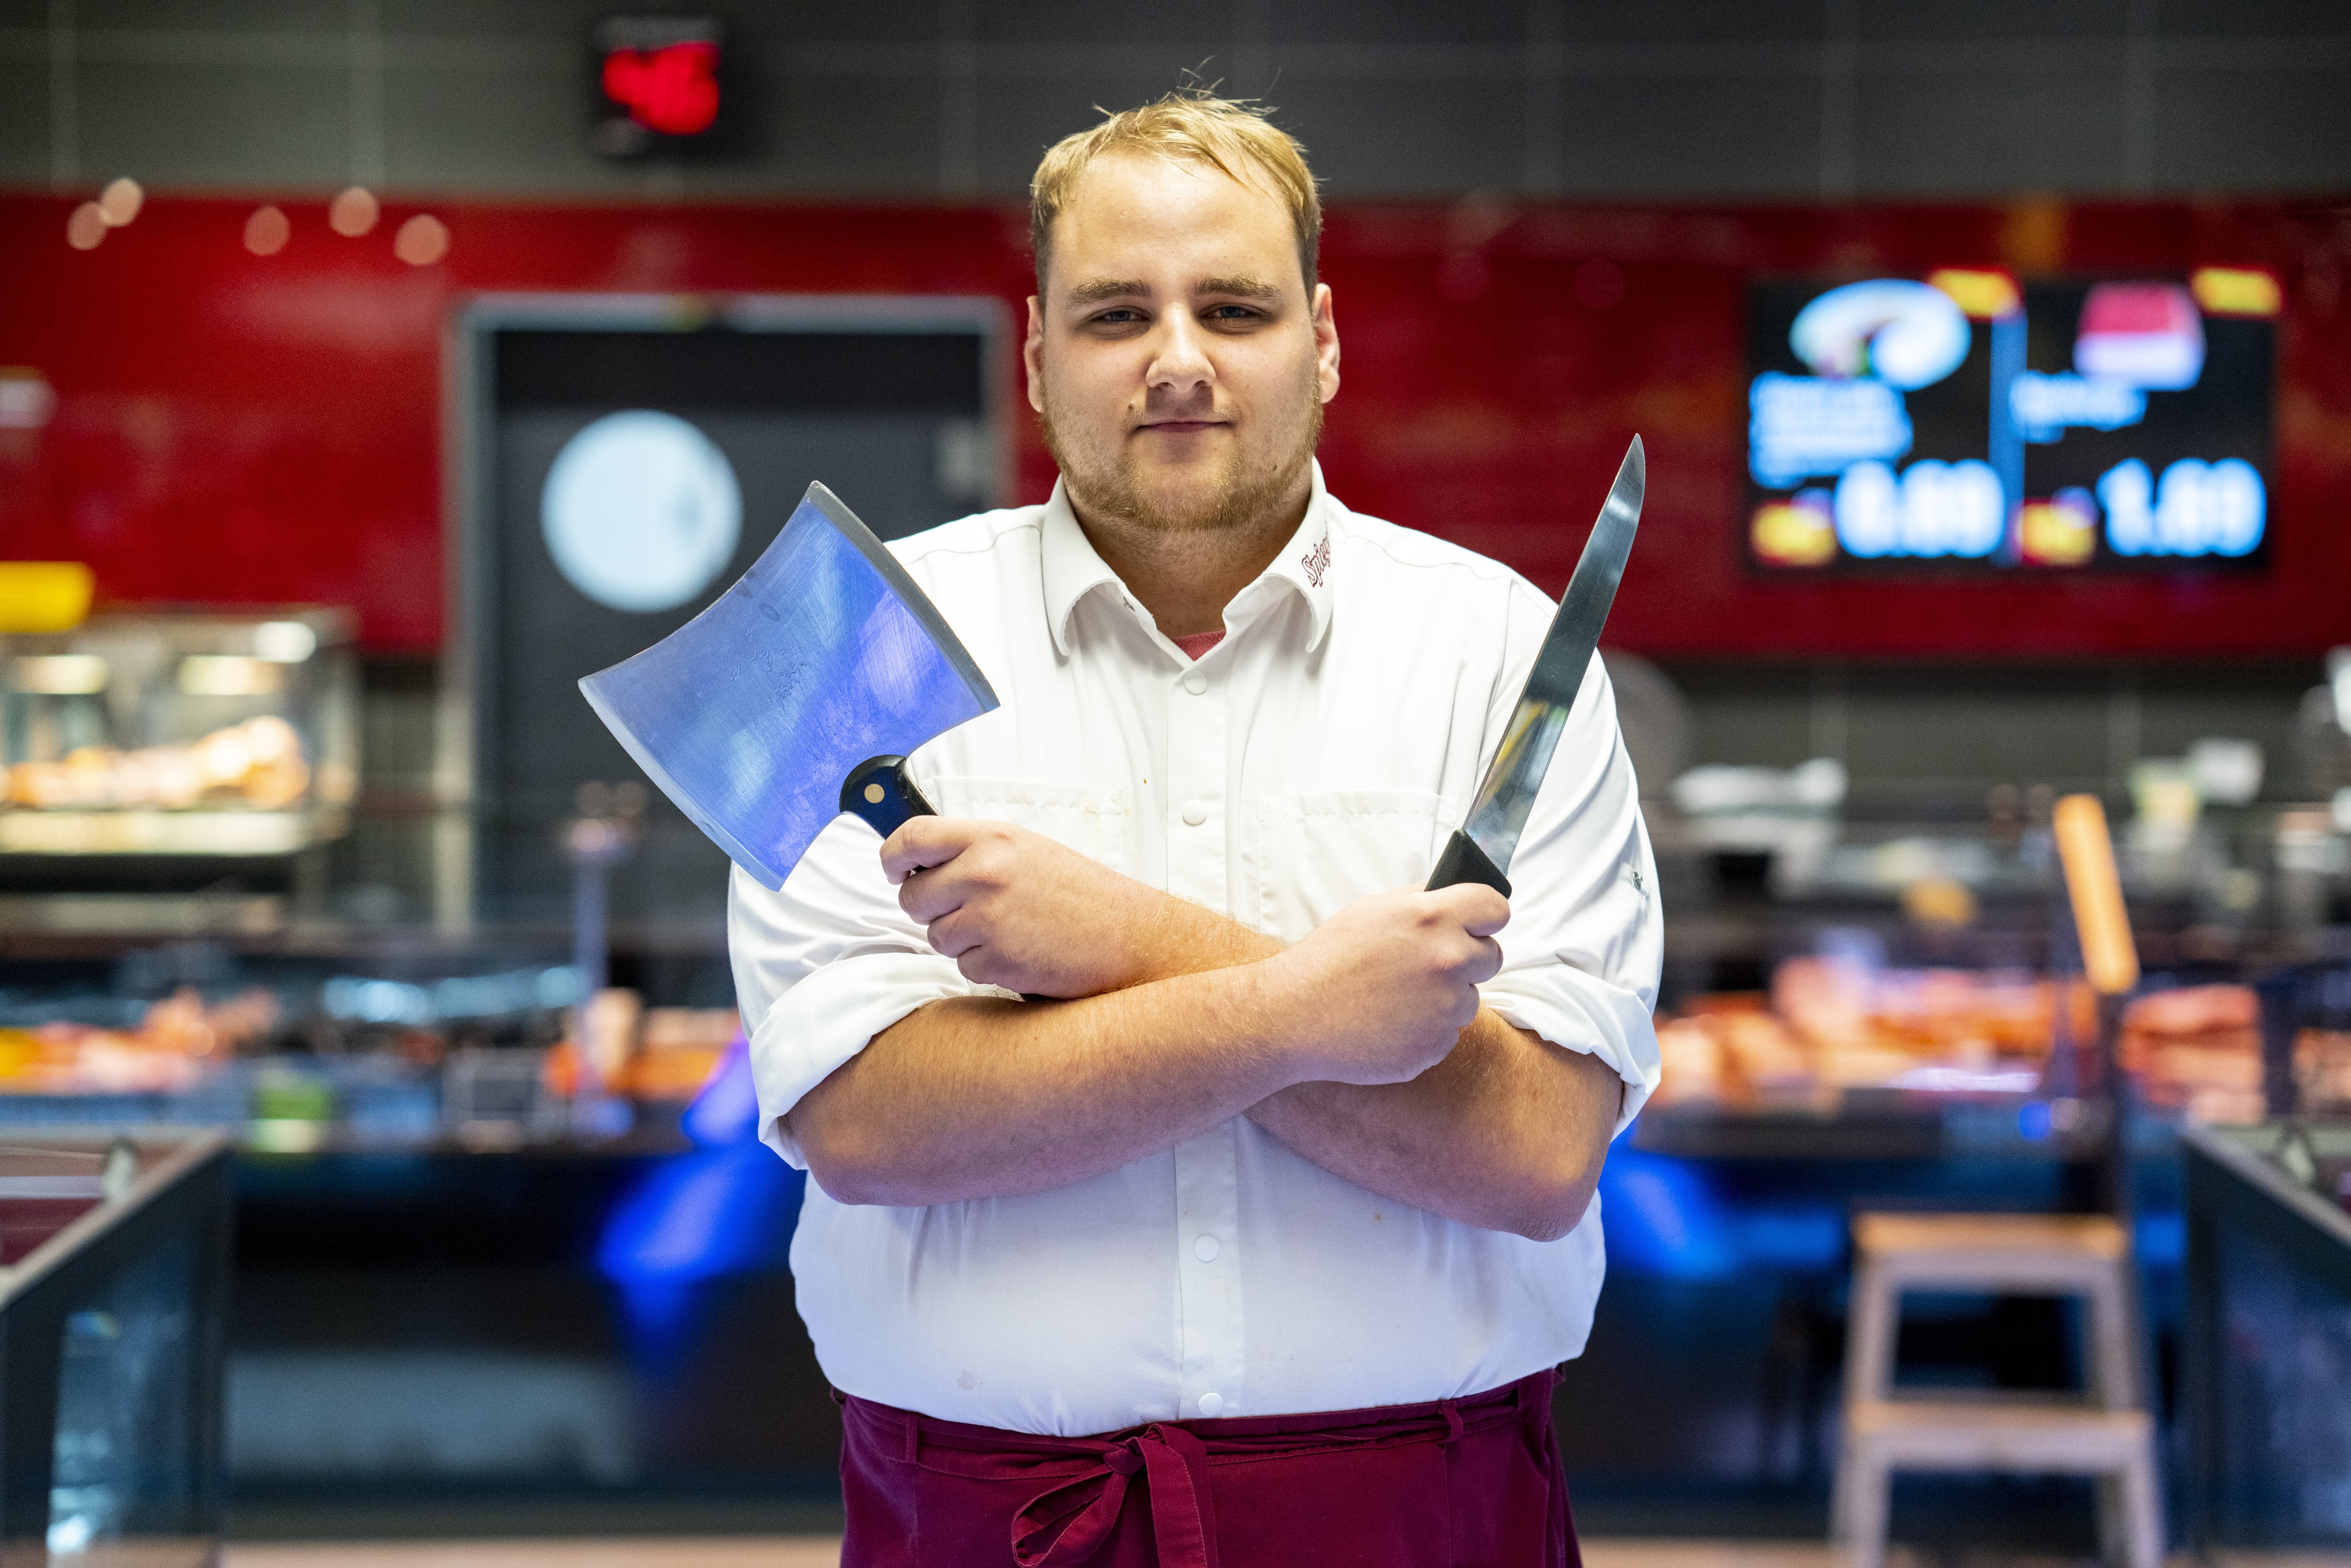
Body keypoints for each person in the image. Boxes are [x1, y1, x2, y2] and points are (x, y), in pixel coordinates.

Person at [730, 90, 1661, 1568]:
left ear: (1324, 339)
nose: (1178, 360)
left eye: (1234, 308)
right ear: (1037, 354)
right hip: (987, 1518)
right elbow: (865, 1125)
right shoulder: (854, 645)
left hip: (1427, 1509)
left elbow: (1538, 1156)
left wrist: (1121, 937)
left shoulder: (1499, 653)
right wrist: (1313, 1010)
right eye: (1116, 315)